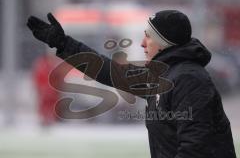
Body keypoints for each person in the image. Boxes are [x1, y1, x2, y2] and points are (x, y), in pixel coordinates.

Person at [27, 10, 237, 158]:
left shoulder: (189, 79)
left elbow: (195, 146)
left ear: (166, 43)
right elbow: (109, 71)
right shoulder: (161, 75)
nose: (142, 43)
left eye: (148, 37)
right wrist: (64, 44)